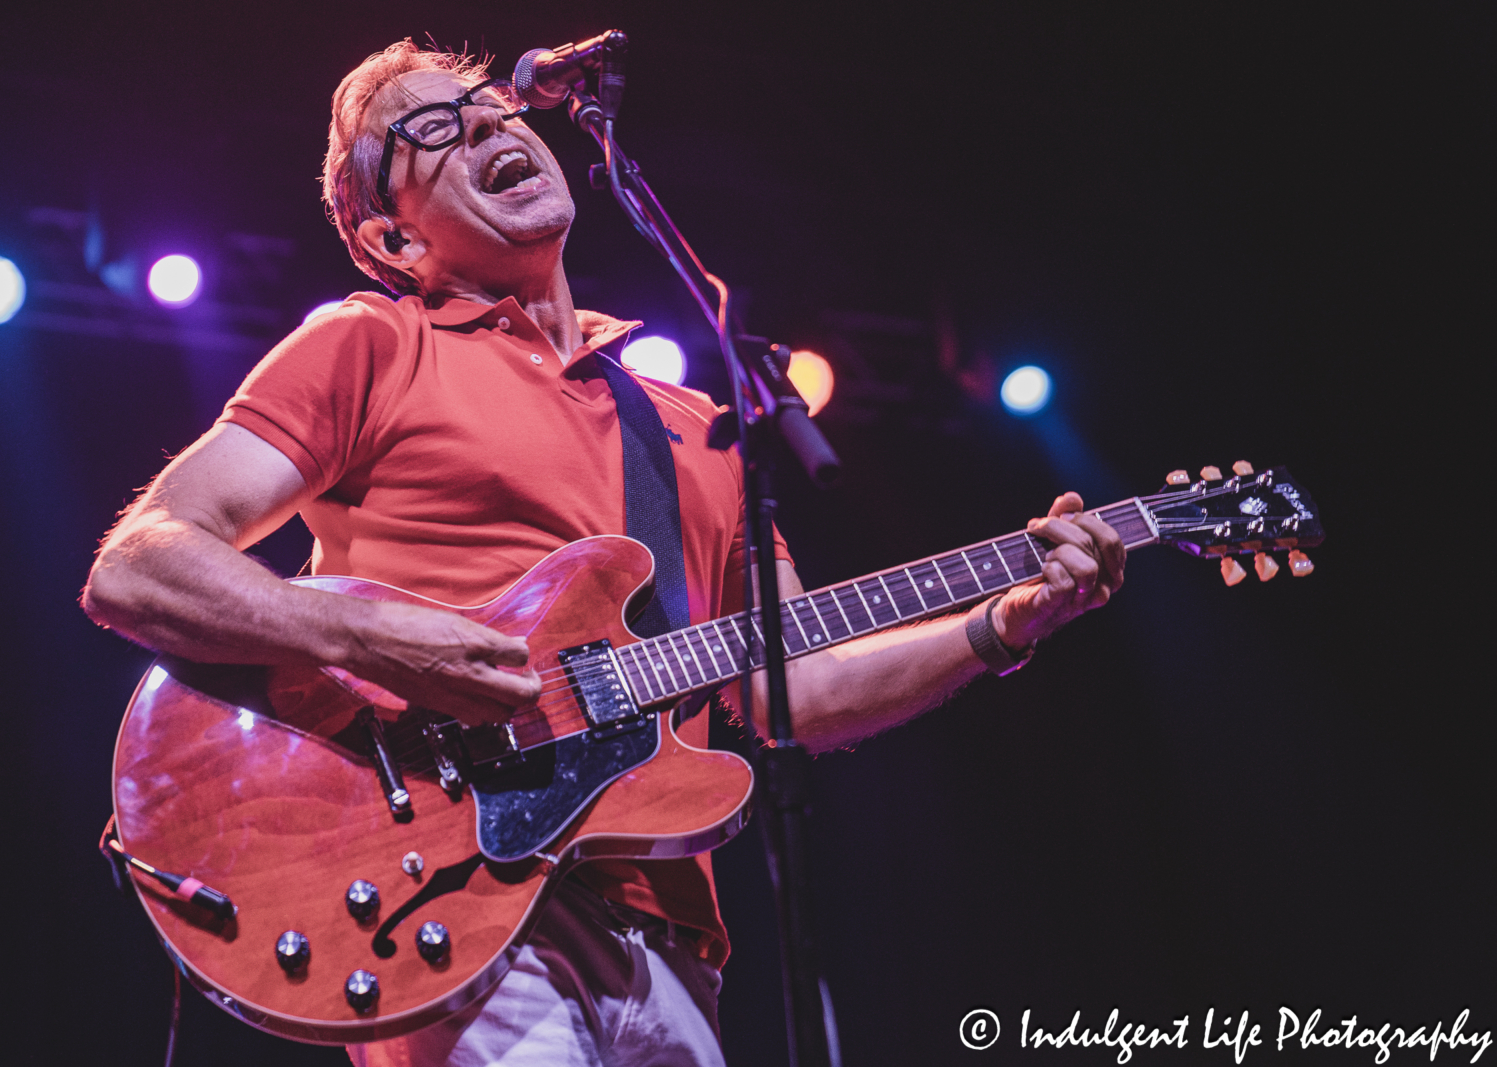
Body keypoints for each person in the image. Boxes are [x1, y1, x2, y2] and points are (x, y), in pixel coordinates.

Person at [81, 40, 1126, 1067]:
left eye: (492, 107)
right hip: (451, 902)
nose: (490, 125)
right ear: (393, 240)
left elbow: (792, 687)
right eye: (435, 128)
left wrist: (1004, 621)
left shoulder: (698, 424)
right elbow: (143, 563)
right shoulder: (373, 345)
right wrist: (373, 631)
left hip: (672, 938)